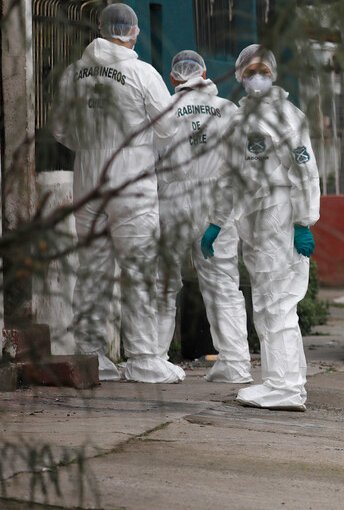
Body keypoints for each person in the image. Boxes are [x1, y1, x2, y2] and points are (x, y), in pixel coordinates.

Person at [52, 3, 184, 383]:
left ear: (100, 28)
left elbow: (61, 130)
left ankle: (93, 357)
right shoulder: (141, 72)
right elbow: (168, 126)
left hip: (89, 177)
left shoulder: (73, 75)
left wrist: (92, 144)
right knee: (138, 268)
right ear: (133, 31)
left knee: (92, 270)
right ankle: (144, 358)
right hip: (131, 178)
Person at [201, 44, 321, 410]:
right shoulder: (239, 120)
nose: (256, 77)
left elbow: (305, 171)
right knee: (270, 303)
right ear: (239, 75)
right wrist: (217, 222)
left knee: (277, 303)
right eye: (250, 71)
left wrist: (304, 221)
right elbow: (229, 177)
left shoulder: (287, 116)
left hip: (280, 215)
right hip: (255, 220)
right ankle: (283, 379)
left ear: (273, 74)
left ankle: (285, 388)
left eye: (263, 71)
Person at [155, 50, 251, 383]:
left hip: (173, 200)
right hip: (217, 201)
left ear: (173, 78)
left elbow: (146, 160)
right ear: (206, 73)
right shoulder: (229, 110)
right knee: (223, 283)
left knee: (163, 281)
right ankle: (236, 362)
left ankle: (154, 358)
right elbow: (242, 164)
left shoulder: (164, 109)